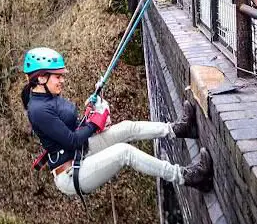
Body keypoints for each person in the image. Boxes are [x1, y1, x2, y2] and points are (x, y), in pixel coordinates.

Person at [22, 47, 213, 197]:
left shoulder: (50, 96)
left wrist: (91, 115)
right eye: (58, 76)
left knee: (127, 127)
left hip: (80, 151)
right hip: (71, 174)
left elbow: (69, 127)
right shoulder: (38, 111)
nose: (62, 80)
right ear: (40, 78)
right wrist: (95, 123)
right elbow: (72, 140)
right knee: (124, 152)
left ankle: (178, 129)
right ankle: (188, 177)